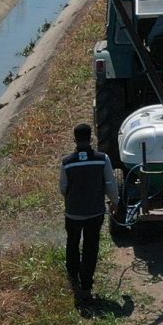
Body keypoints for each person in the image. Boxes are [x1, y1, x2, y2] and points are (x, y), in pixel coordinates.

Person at [59, 125, 110, 308]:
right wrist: (115, 201)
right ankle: (86, 283)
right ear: (91, 139)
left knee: (72, 242)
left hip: (73, 213)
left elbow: (63, 188)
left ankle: (73, 275)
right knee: (91, 246)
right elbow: (110, 183)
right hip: (95, 212)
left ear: (74, 139)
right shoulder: (102, 159)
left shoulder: (67, 162)